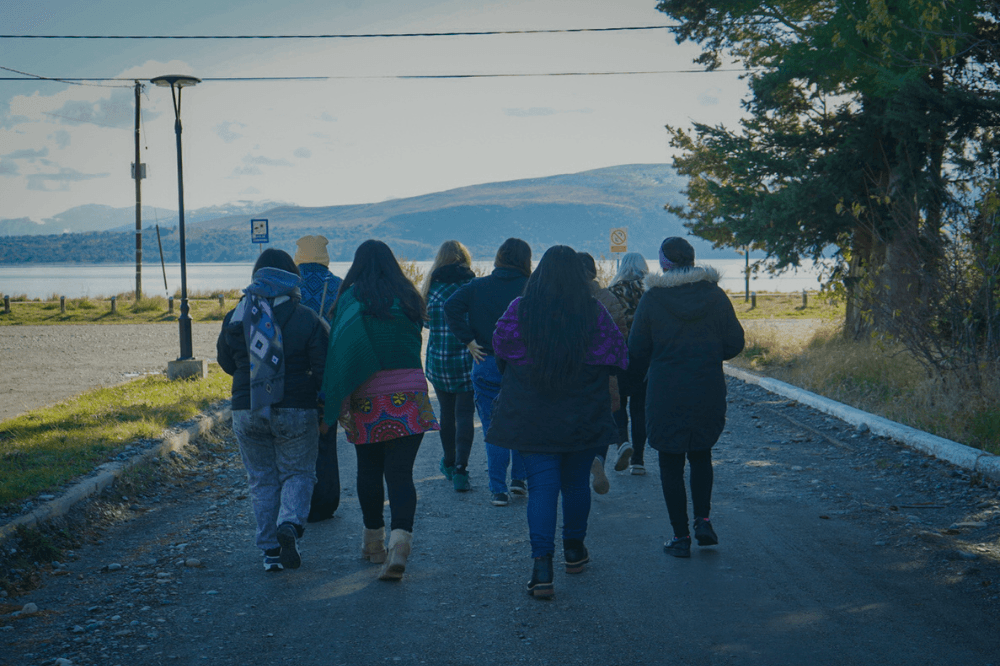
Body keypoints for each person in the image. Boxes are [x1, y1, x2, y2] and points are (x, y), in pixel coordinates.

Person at [487, 245, 628, 598]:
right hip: (582, 414)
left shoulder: (520, 311)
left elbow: (501, 351)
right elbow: (616, 356)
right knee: (576, 484)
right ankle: (575, 552)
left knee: (542, 487)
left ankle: (541, 568)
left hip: (532, 416)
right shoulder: (593, 312)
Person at [322, 240, 440, 581]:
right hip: (412, 397)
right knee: (401, 475)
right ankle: (400, 543)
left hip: (368, 399)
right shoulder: (409, 297)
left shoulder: (351, 298)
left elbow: (342, 348)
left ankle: (373, 544)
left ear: (357, 265)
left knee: (369, 471)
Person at [628, 237, 745, 558]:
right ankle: (703, 520)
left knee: (670, 461)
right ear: (692, 261)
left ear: (665, 264)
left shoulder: (652, 299)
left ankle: (680, 537)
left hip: (665, 389)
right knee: (701, 454)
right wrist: (707, 353)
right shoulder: (715, 296)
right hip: (706, 385)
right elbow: (735, 343)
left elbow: (636, 349)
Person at [216, 248, 329, 572]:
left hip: (247, 409)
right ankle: (290, 524)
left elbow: (226, 362)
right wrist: (322, 404)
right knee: (298, 472)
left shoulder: (236, 316)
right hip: (295, 407)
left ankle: (270, 551)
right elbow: (322, 367)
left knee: (261, 479)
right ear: (291, 279)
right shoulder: (306, 316)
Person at [444, 238, 531, 507]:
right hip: (523, 365)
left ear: (499, 257)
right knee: (522, 422)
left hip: (487, 361)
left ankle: (498, 489)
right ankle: (518, 480)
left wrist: (469, 341)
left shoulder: (478, 286)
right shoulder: (531, 288)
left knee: (494, 427)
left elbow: (450, 307)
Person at [293, 234, 343, 523]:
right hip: (330, 373)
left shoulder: (290, 284)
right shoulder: (337, 286)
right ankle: (326, 501)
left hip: (296, 373)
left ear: (299, 255)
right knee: (326, 439)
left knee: (295, 444)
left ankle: (296, 503)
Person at [421, 240, 477, 492]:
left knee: (446, 413)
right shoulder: (472, 285)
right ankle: (462, 471)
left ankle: (449, 461)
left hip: (439, 360)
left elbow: (427, 323)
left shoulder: (432, 287)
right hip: (467, 357)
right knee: (465, 414)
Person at [577, 252, 632, 493]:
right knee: (603, 418)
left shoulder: (565, 297)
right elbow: (622, 334)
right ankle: (598, 458)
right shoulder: (607, 297)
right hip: (604, 372)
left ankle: (580, 464)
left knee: (575, 420)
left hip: (571, 372)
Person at [607, 251, 650, 475]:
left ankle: (623, 442)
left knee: (618, 402)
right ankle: (639, 461)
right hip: (644, 356)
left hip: (618, 354)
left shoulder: (612, 292)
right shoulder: (651, 292)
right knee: (640, 407)